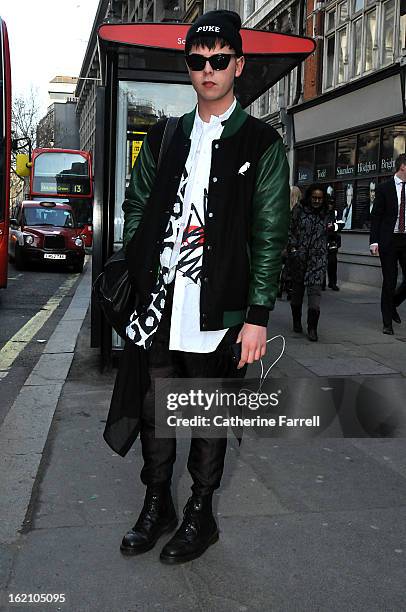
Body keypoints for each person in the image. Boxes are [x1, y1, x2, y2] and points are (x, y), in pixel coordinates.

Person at [113, 10, 290, 565]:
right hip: (161, 305)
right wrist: (147, 257)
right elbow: (137, 200)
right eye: (198, 60)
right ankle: (157, 502)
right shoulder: (168, 135)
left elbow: (269, 232)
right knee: (153, 408)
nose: (208, 69)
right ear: (188, 66)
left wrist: (257, 315)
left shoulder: (260, 142)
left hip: (219, 309)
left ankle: (201, 513)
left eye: (219, 59)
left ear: (238, 64)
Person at [370, 153, 406, 335]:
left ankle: (393, 303)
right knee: (390, 281)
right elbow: (376, 216)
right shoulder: (385, 188)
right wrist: (374, 241)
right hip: (389, 240)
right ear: (403, 166)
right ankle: (387, 323)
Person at [287, 183, 329, 341]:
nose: (317, 201)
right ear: (309, 197)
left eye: (320, 198)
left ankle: (312, 328)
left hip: (318, 259)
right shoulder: (299, 210)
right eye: (314, 198)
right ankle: (296, 321)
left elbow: (330, 230)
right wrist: (293, 249)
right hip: (300, 257)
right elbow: (290, 229)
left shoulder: (326, 212)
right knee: (297, 293)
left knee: (315, 294)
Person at [324, 197, 342, 291]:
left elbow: (340, 225)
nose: (330, 205)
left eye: (331, 204)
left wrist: (332, 227)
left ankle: (332, 282)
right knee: (322, 262)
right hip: (323, 240)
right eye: (328, 204)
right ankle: (322, 283)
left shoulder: (335, 213)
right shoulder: (323, 212)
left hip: (333, 240)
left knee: (332, 262)